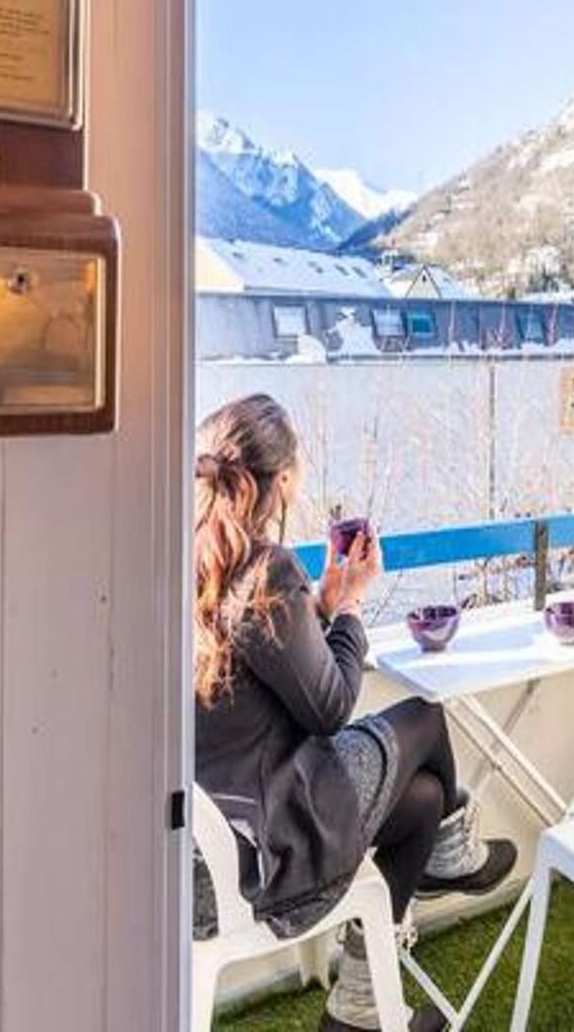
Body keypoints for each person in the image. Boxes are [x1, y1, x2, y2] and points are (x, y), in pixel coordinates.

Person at [192, 394, 515, 1032]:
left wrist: (319, 604)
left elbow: (266, 662)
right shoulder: (264, 569)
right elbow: (330, 708)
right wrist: (350, 608)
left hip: (210, 849)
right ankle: (452, 854)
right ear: (283, 480)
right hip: (274, 844)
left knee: (421, 800)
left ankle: (360, 1011)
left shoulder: (194, 561)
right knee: (425, 716)